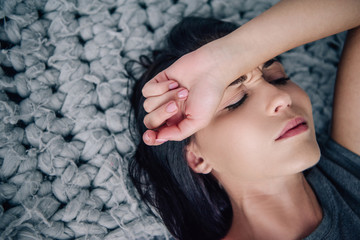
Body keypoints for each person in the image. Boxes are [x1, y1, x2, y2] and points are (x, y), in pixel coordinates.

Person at [128, 0, 360, 239]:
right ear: (197, 157)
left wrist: (228, 56)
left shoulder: (350, 176)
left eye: (278, 78)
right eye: (236, 101)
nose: (281, 97)